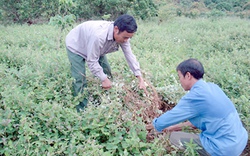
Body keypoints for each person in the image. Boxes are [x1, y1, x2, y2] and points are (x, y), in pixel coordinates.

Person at [149, 58, 248, 156]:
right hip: (239, 141)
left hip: (224, 148)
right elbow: (195, 123)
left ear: (188, 75)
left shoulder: (196, 96)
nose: (180, 81)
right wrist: (172, 127)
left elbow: (169, 117)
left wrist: (152, 127)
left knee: (173, 138)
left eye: (179, 77)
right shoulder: (213, 87)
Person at [65, 14, 148, 112]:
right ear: (116, 29)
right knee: (79, 78)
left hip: (95, 46)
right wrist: (103, 79)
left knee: (106, 71)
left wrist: (140, 77)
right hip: (77, 45)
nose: (126, 40)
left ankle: (106, 100)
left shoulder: (123, 36)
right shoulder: (98, 36)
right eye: (125, 37)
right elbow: (92, 61)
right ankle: (82, 110)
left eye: (128, 38)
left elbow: (129, 55)